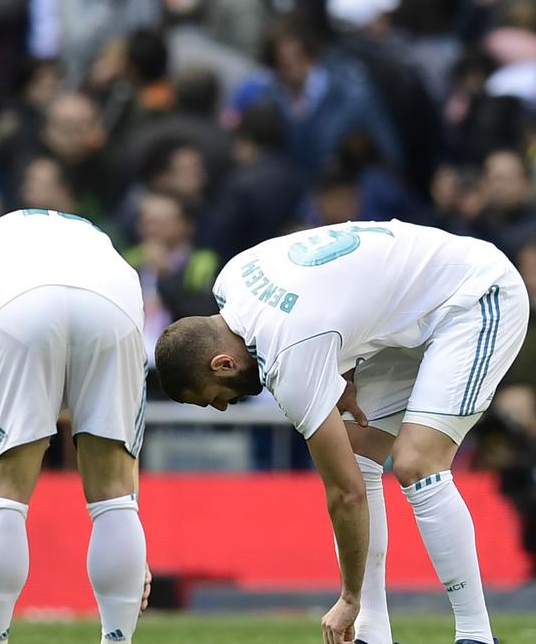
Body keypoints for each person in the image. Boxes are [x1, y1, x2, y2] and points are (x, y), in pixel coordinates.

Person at [155, 220, 527, 644]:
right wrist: (343, 367)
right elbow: (336, 290)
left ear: (223, 364)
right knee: (358, 451)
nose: (223, 406)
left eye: (214, 397)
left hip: (476, 293)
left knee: (416, 463)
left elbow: (344, 493)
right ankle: (372, 635)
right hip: (411, 305)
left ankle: (476, 635)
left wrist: (348, 596)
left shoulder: (289, 355)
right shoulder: (232, 278)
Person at [0, 208, 150, 644]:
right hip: (116, 300)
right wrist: (130, 545)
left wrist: (8, 392)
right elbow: (125, 459)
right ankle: (118, 638)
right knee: (114, 497)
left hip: (20, 303)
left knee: (5, 495)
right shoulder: (98, 238)